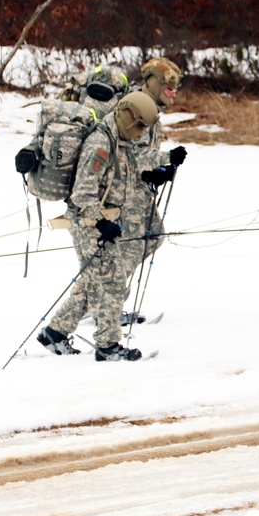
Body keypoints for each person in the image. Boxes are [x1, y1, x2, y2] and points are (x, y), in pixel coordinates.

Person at [35, 91, 164, 361]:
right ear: (128, 116)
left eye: (146, 128)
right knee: (113, 285)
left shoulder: (119, 138)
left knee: (94, 285)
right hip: (90, 224)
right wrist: (101, 222)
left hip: (103, 221)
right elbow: (82, 194)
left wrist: (158, 167)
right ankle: (107, 346)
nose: (142, 132)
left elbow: (129, 168)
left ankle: (55, 334)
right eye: (140, 125)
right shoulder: (100, 144)